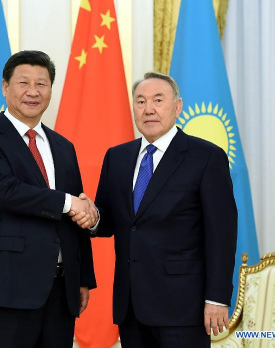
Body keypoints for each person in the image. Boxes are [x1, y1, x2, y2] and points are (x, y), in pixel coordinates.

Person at [73, 72, 237, 347]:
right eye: (140, 102)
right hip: (131, 305)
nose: (148, 109)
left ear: (178, 106)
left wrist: (217, 298)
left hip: (184, 306)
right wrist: (92, 216)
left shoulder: (206, 157)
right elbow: (110, 220)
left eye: (158, 100)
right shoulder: (117, 157)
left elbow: (222, 234)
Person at [0, 50, 97, 348]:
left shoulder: (63, 146)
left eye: (42, 84)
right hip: (7, 288)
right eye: (24, 83)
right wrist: (67, 202)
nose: (33, 92)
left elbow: (77, 212)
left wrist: (82, 276)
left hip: (61, 290)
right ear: (5, 87)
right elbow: (6, 192)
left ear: (51, 89)